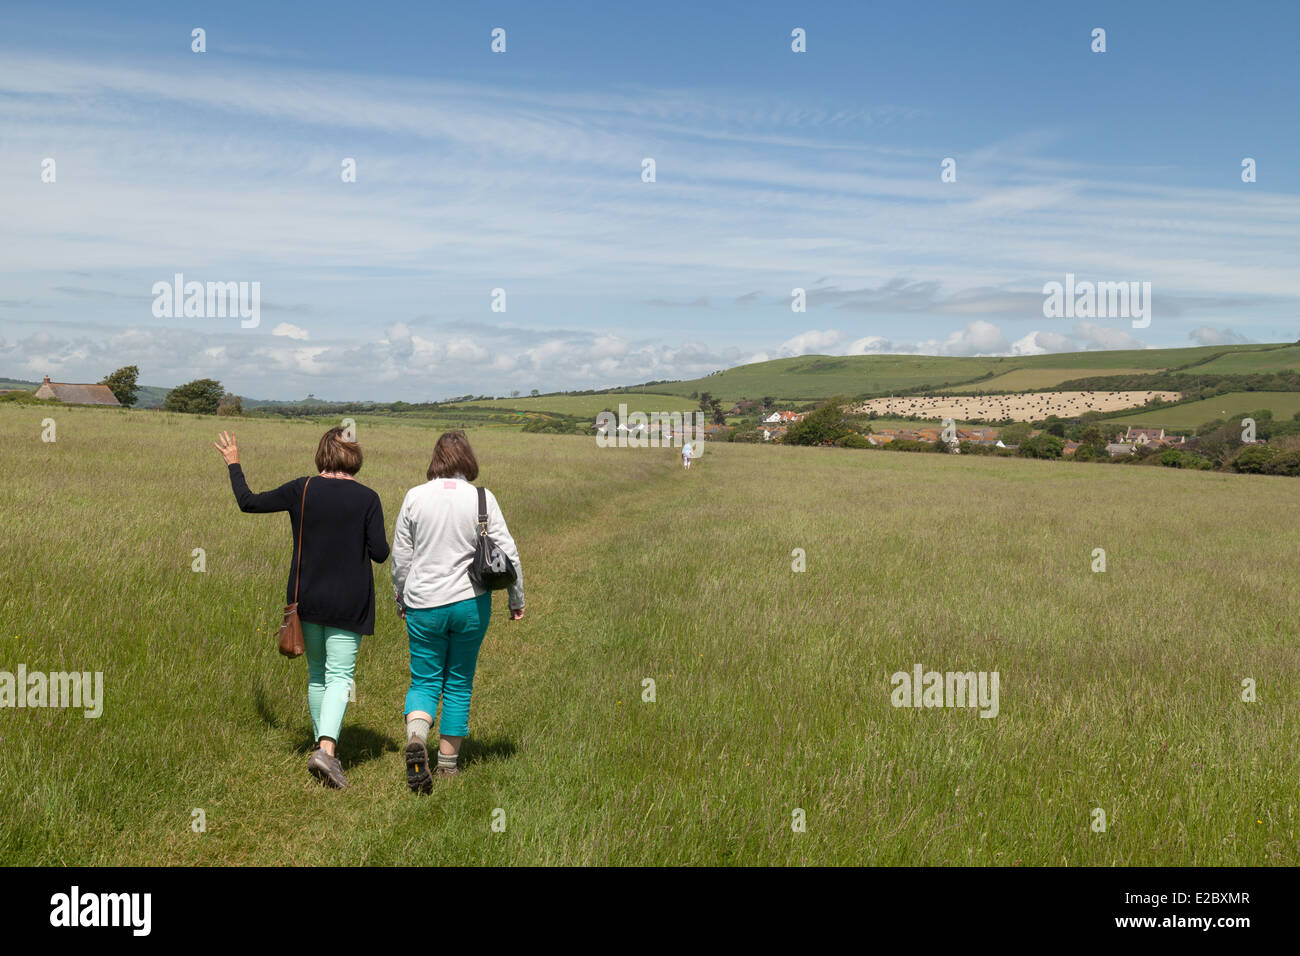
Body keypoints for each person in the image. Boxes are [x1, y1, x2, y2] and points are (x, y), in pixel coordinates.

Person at [214, 427, 389, 789]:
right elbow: (380, 553)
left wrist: (234, 463)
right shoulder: (368, 498)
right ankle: (326, 751)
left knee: (317, 675)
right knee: (340, 676)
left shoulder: (302, 488)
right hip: (349, 602)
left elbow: (247, 501)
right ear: (353, 456)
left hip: (306, 600)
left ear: (322, 454)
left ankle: (321, 749)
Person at [391, 430, 525, 794]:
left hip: (423, 604)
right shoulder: (482, 497)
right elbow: (507, 553)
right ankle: (448, 765)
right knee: (459, 681)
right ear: (467, 459)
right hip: (471, 602)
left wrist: (400, 596)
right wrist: (516, 598)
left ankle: (417, 738)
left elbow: (401, 558)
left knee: (424, 679)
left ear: (435, 459)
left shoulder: (414, 497)